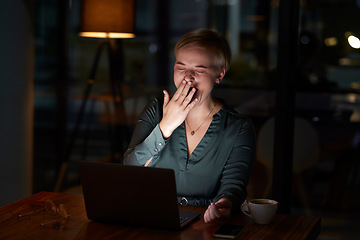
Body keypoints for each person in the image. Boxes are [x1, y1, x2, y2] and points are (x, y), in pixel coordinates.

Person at [124, 28, 256, 224]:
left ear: (219, 74)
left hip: (205, 223)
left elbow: (233, 188)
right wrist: (165, 127)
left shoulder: (238, 128)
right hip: (152, 218)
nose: (188, 77)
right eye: (180, 67)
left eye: (200, 70)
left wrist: (224, 205)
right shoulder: (156, 110)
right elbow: (129, 170)